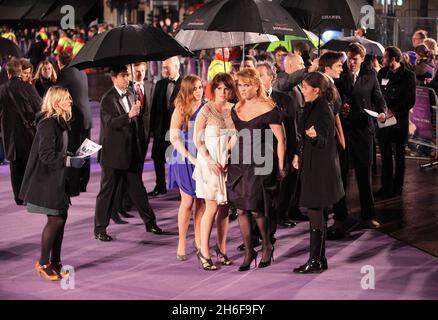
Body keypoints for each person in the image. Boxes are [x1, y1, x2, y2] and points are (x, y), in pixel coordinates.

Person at [19, 86, 87, 281]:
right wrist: (68, 161)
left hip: (57, 179)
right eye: (66, 99)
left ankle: (56, 262)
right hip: (46, 181)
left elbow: (59, 151)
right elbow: (46, 155)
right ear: (56, 102)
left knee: (61, 218)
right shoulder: (47, 124)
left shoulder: (59, 122)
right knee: (55, 220)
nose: (70, 102)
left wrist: (74, 156)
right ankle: (42, 263)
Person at [94, 65, 163, 242]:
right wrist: (129, 115)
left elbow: (136, 123)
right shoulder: (107, 99)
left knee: (138, 190)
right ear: (114, 78)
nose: (127, 78)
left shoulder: (132, 93)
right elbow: (110, 123)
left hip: (131, 151)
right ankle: (100, 228)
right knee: (107, 193)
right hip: (112, 155)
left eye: (127, 75)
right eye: (123, 75)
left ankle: (150, 223)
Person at [227, 68, 286, 272]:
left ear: (256, 85)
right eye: (240, 85)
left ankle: (267, 245)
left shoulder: (267, 107)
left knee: (256, 209)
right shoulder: (237, 107)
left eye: (247, 85)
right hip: (238, 162)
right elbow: (236, 135)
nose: (242, 89)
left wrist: (280, 165)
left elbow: (281, 139)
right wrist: (224, 153)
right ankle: (249, 251)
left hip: (260, 162)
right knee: (241, 209)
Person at [328, 43, 387, 239]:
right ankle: (339, 216)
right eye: (349, 58)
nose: (351, 62)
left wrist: (382, 112)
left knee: (364, 176)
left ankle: (368, 215)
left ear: (362, 58)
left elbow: (378, 99)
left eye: (355, 59)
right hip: (343, 131)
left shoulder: (370, 76)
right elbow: (332, 99)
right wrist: (339, 108)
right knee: (340, 175)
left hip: (363, 132)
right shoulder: (339, 74)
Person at [292, 72, 344, 273]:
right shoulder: (314, 105)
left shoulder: (323, 109)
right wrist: (298, 154)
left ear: (316, 90)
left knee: (316, 211)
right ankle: (319, 259)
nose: (302, 90)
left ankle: (315, 261)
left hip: (320, 171)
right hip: (315, 166)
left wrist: (315, 137)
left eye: (305, 87)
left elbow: (325, 140)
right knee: (318, 213)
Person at [193, 73, 237, 270]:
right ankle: (204, 251)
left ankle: (222, 249)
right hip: (208, 163)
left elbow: (236, 136)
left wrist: (228, 155)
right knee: (211, 207)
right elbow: (197, 140)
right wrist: (211, 160)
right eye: (219, 88)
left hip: (227, 163)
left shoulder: (234, 109)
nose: (223, 92)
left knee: (225, 208)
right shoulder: (206, 109)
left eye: (227, 88)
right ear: (214, 89)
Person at [257, 61, 298, 230]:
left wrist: (295, 153)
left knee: (279, 192)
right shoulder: (249, 100)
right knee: (257, 197)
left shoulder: (285, 100)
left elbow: (292, 129)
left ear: (271, 78)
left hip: (280, 152)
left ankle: (277, 222)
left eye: (261, 76)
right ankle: (253, 236)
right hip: (258, 154)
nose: (257, 79)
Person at [168, 75, 205, 261]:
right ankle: (182, 240)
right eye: (195, 89)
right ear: (187, 91)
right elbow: (174, 138)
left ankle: (199, 238)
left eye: (200, 87)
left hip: (203, 154)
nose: (198, 91)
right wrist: (190, 157)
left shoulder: (207, 106)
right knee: (188, 201)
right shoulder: (181, 108)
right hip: (183, 157)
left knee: (201, 201)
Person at [375, 47, 416, 198]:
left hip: (399, 121)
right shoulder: (382, 73)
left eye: (385, 57)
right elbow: (378, 93)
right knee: (385, 155)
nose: (382, 60)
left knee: (399, 155)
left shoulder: (408, 76)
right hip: (384, 120)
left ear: (393, 59)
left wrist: (394, 111)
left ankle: (397, 187)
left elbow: (410, 100)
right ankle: (385, 186)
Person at [0, 58, 41, 205]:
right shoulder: (28, 88)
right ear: (19, 71)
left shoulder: (2, 90)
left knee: (15, 167)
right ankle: (31, 195)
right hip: (28, 134)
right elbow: (40, 108)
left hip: (10, 136)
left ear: (8, 73)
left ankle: (19, 197)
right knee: (30, 165)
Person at [56, 51, 92, 196]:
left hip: (74, 119)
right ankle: (83, 183)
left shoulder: (65, 73)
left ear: (60, 62)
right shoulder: (81, 72)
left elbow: (55, 92)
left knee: (73, 151)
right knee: (85, 151)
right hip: (86, 117)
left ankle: (73, 187)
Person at [149, 56, 182, 196]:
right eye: (163, 68)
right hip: (161, 129)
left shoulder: (185, 83)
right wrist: (152, 129)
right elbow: (154, 108)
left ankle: (182, 188)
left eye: (167, 68)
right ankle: (160, 185)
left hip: (178, 130)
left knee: (179, 160)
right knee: (158, 158)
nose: (164, 70)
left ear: (176, 66)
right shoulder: (160, 84)